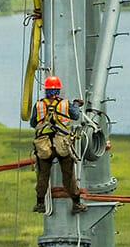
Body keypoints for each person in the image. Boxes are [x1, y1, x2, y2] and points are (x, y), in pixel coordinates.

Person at [24, 75, 86, 214]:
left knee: (43, 175)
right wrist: (76, 104)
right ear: (58, 90)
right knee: (68, 176)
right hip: (62, 143)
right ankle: (76, 203)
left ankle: (40, 204)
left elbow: (33, 123)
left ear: (46, 90)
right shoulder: (65, 104)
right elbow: (75, 115)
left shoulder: (39, 105)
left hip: (44, 144)